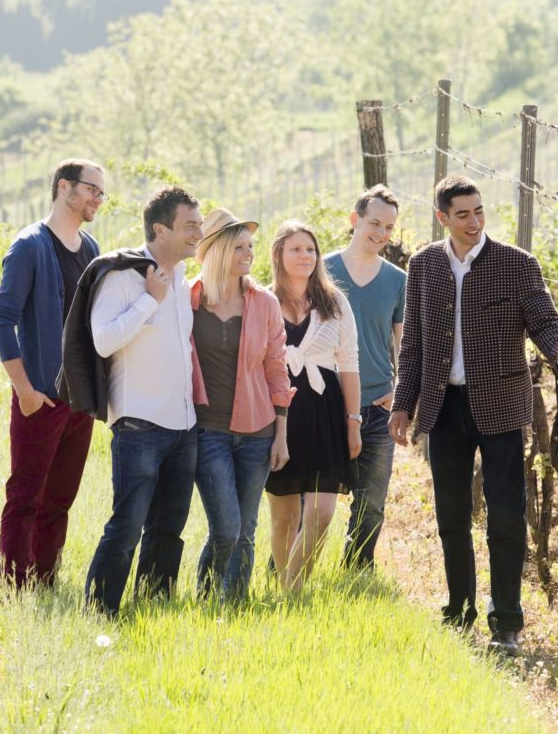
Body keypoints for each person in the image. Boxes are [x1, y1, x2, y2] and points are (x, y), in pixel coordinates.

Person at [390, 175, 558, 653]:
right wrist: (402, 404)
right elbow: (413, 344)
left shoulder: (517, 264)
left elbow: (543, 318)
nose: (474, 222)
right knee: (451, 517)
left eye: (478, 211)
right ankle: (459, 611)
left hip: (500, 407)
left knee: (506, 517)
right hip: (443, 406)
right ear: (442, 218)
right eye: (463, 214)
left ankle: (507, 622)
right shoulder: (424, 266)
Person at [81, 186, 203, 616]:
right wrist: (150, 300)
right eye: (190, 226)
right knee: (127, 526)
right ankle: (99, 613)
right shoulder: (123, 275)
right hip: (139, 425)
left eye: (199, 224)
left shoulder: (184, 278)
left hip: (183, 426)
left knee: (169, 528)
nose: (198, 233)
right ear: (160, 229)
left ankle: (153, 608)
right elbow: (103, 340)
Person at [0, 158, 104, 589]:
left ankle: (45, 582)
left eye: (101, 193)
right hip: (40, 398)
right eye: (91, 189)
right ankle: (15, 587)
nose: (98, 199)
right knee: (26, 496)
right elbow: (2, 321)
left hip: (79, 400)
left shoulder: (91, 249)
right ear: (63, 187)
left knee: (60, 499)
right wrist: (25, 391)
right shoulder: (29, 246)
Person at [188, 209, 293, 600]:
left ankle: (233, 605)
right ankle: (206, 598)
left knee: (246, 530)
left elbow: (277, 370)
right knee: (226, 529)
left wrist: (280, 436)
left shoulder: (264, 303)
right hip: (207, 430)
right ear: (216, 251)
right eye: (239, 247)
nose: (249, 253)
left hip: (258, 432)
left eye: (250, 246)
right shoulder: (186, 299)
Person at [265, 221, 361, 591]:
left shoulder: (334, 302)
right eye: (296, 249)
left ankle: (293, 587)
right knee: (284, 516)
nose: (305, 255)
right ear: (278, 255)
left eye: (311, 249)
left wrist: (353, 421)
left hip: (325, 411)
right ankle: (287, 595)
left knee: (321, 513)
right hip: (279, 414)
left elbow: (349, 364)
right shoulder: (263, 301)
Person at [324, 185, 404, 571]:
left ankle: (357, 571)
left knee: (371, 503)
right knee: (309, 498)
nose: (381, 233)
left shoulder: (398, 280)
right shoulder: (321, 270)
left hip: (376, 406)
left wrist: (400, 392)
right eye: (374, 223)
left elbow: (406, 344)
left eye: (389, 227)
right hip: (324, 403)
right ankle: (289, 572)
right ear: (355, 220)